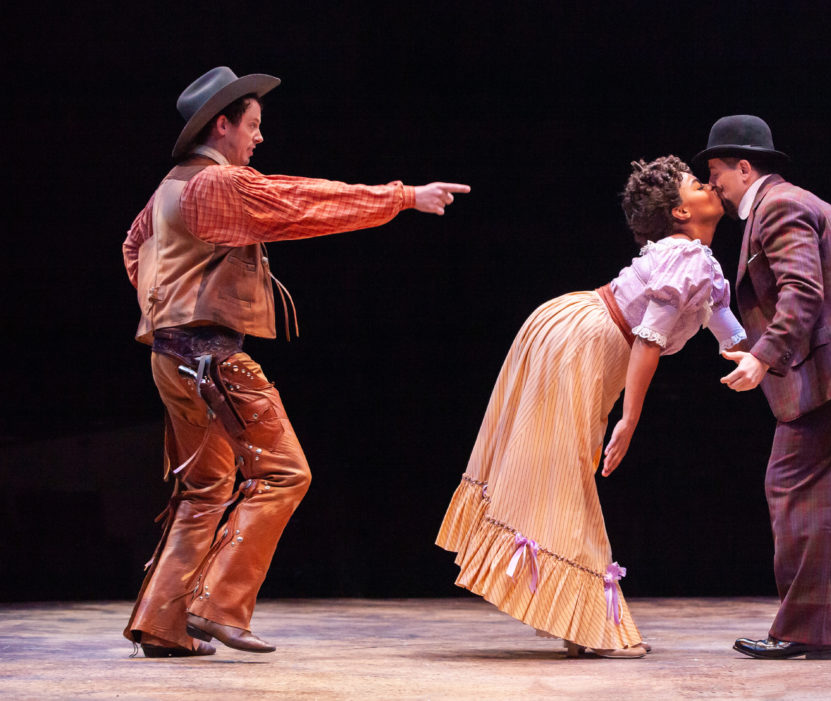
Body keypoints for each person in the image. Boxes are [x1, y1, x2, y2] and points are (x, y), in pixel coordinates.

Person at [122, 66, 469, 657]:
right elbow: (302, 201)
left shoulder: (167, 191)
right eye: (252, 126)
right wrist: (404, 197)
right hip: (211, 358)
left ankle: (162, 622)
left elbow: (133, 248)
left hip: (170, 357)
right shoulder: (219, 185)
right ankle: (216, 606)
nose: (258, 138)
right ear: (222, 125)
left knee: (204, 489)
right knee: (284, 472)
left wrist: (164, 311)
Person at [436, 156, 746, 658]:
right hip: (584, 339)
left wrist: (763, 358)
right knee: (567, 471)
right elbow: (648, 338)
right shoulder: (686, 256)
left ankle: (577, 617)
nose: (709, 184)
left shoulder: (694, 259)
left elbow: (724, 323)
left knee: (561, 469)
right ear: (679, 213)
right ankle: (591, 624)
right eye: (695, 183)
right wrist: (630, 419)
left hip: (576, 330)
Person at [694, 115, 831, 660]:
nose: (713, 184)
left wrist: (763, 359)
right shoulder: (811, 202)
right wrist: (757, 345)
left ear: (744, 168)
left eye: (716, 172)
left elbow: (803, 293)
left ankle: (804, 630)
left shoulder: (780, 207)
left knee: (792, 488)